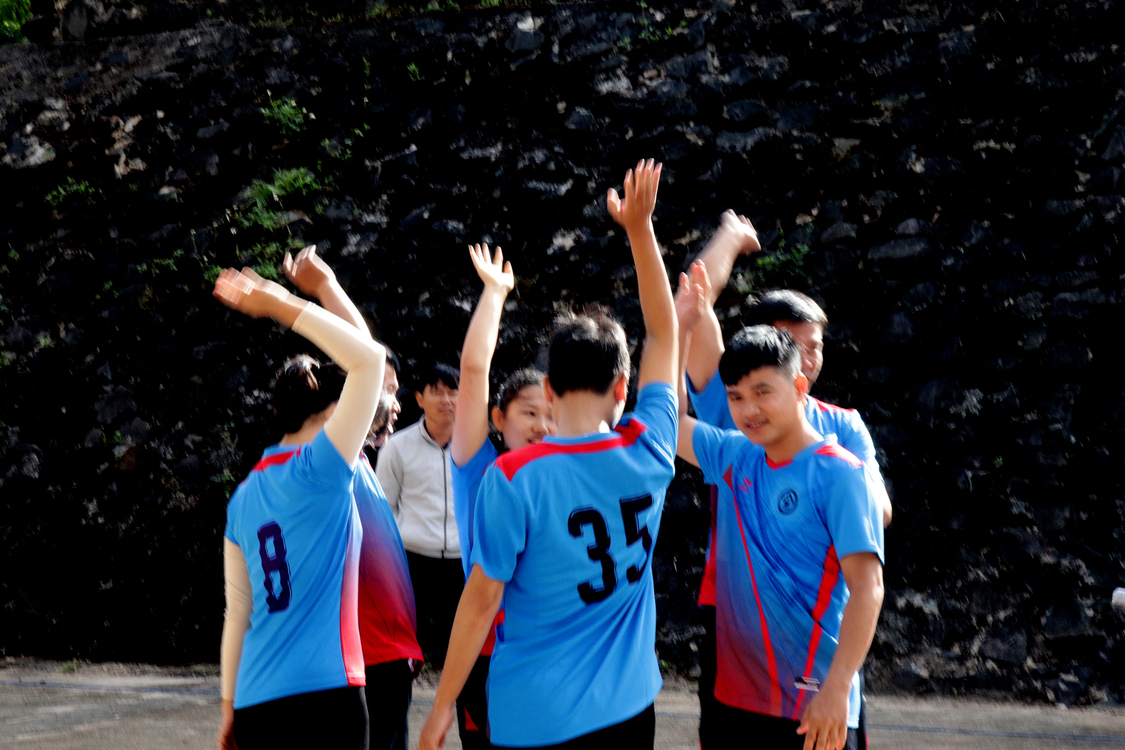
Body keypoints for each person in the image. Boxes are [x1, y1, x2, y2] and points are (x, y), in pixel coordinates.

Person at [418, 159, 679, 749]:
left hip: (533, 713)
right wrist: (641, 230)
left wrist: (441, 705)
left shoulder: (513, 477)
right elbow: (664, 334)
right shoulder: (651, 447)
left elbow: (482, 599)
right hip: (629, 707)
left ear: (551, 391)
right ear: (622, 388)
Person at [684, 214, 892, 747]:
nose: (748, 407)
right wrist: (728, 238)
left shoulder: (842, 441)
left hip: (815, 659)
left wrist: (838, 685)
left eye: (814, 345)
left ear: (796, 381)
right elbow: (693, 308)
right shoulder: (734, 437)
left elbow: (872, 551)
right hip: (736, 638)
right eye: (739, 396)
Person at [214, 266, 386, 750]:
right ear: (333, 411)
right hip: (327, 695)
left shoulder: (243, 495)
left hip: (255, 702)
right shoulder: (325, 467)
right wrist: (278, 305)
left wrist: (228, 706)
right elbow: (369, 359)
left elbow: (238, 612)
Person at [283, 246, 423, 750]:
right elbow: (367, 356)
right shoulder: (331, 460)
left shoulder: (354, 461)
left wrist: (325, 288)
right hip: (368, 655)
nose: (390, 398)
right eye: (385, 390)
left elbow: (368, 359)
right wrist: (325, 290)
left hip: (386, 653)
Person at [448, 243, 555, 748]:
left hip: (547, 646)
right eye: (530, 412)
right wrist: (495, 293)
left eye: (552, 414)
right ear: (498, 418)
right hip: (487, 649)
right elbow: (474, 371)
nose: (543, 425)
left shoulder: (566, 472)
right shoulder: (479, 467)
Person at [376, 362, 463, 667]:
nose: (446, 400)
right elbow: (383, 510)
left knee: (463, 651)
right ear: (419, 399)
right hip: (412, 563)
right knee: (405, 651)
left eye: (453, 392)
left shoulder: (476, 447)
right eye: (437, 392)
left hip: (462, 563)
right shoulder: (397, 448)